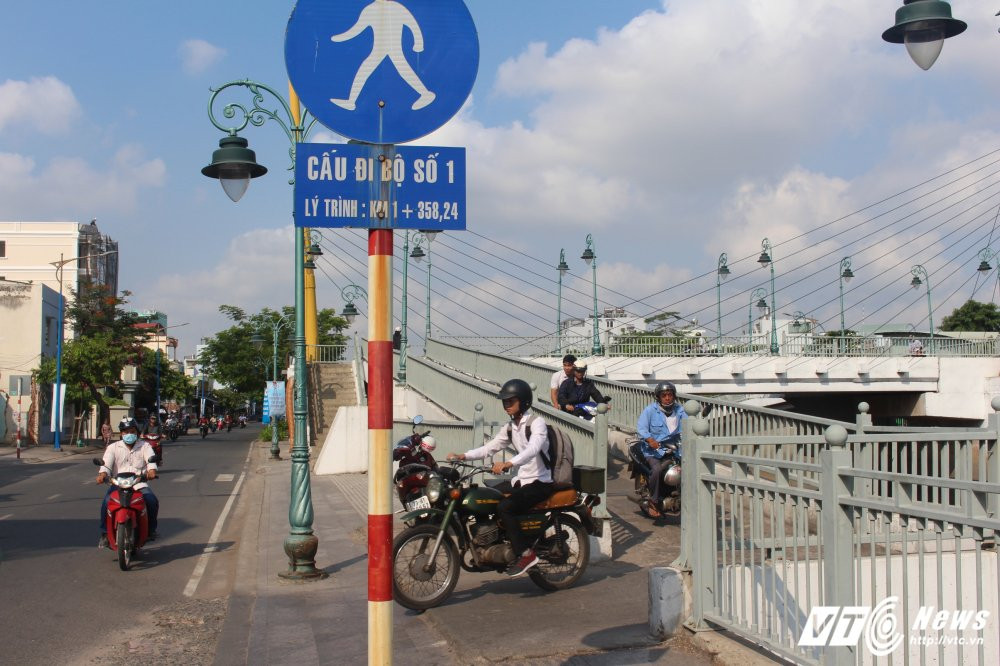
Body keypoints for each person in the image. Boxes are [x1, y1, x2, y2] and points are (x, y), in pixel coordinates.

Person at [448, 379, 552, 578]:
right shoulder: (511, 427)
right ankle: (496, 546)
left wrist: (509, 463)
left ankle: (526, 554)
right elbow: (490, 447)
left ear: (523, 401)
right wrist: (464, 455)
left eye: (511, 401)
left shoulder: (536, 423)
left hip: (540, 482)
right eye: (504, 402)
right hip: (521, 481)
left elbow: (534, 449)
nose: (507, 405)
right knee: (491, 497)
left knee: (506, 507)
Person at [97, 417, 159, 547]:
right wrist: (102, 474)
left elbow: (151, 461)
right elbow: (106, 464)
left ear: (136, 432)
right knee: (106, 502)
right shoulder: (113, 447)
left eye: (131, 431)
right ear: (121, 433)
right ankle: (104, 534)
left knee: (152, 501)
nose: (128, 434)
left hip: (138, 483)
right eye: (125, 432)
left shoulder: (145, 446)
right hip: (118, 483)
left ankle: (151, 530)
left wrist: (152, 471)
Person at [636, 382, 687, 518]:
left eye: (670, 395)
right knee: (657, 470)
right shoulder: (650, 410)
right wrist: (650, 440)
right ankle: (653, 500)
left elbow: (688, 425)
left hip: (675, 450)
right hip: (654, 452)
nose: (667, 398)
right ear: (658, 397)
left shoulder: (679, 410)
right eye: (664, 395)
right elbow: (641, 428)